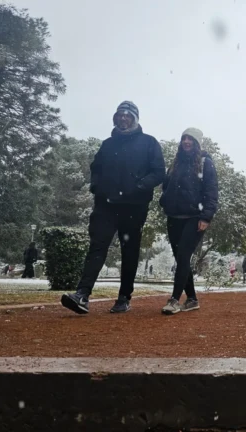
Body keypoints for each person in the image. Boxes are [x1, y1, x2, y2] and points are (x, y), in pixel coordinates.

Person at [61, 101, 165, 314]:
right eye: (120, 115)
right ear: (115, 119)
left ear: (135, 118)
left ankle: (124, 297)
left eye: (127, 115)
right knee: (97, 247)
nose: (123, 118)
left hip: (134, 206)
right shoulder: (107, 144)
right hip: (106, 205)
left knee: (129, 252)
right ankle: (82, 294)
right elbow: (95, 168)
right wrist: (97, 187)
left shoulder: (149, 143)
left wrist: (139, 186)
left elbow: (158, 172)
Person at [155, 128, 218, 315]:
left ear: (197, 143)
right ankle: (192, 299)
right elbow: (166, 186)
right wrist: (164, 200)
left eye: (191, 139)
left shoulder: (206, 164)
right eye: (184, 138)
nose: (186, 141)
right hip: (174, 217)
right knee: (181, 259)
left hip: (194, 218)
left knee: (183, 256)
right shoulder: (175, 163)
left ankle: (174, 300)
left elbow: (211, 192)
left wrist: (206, 216)